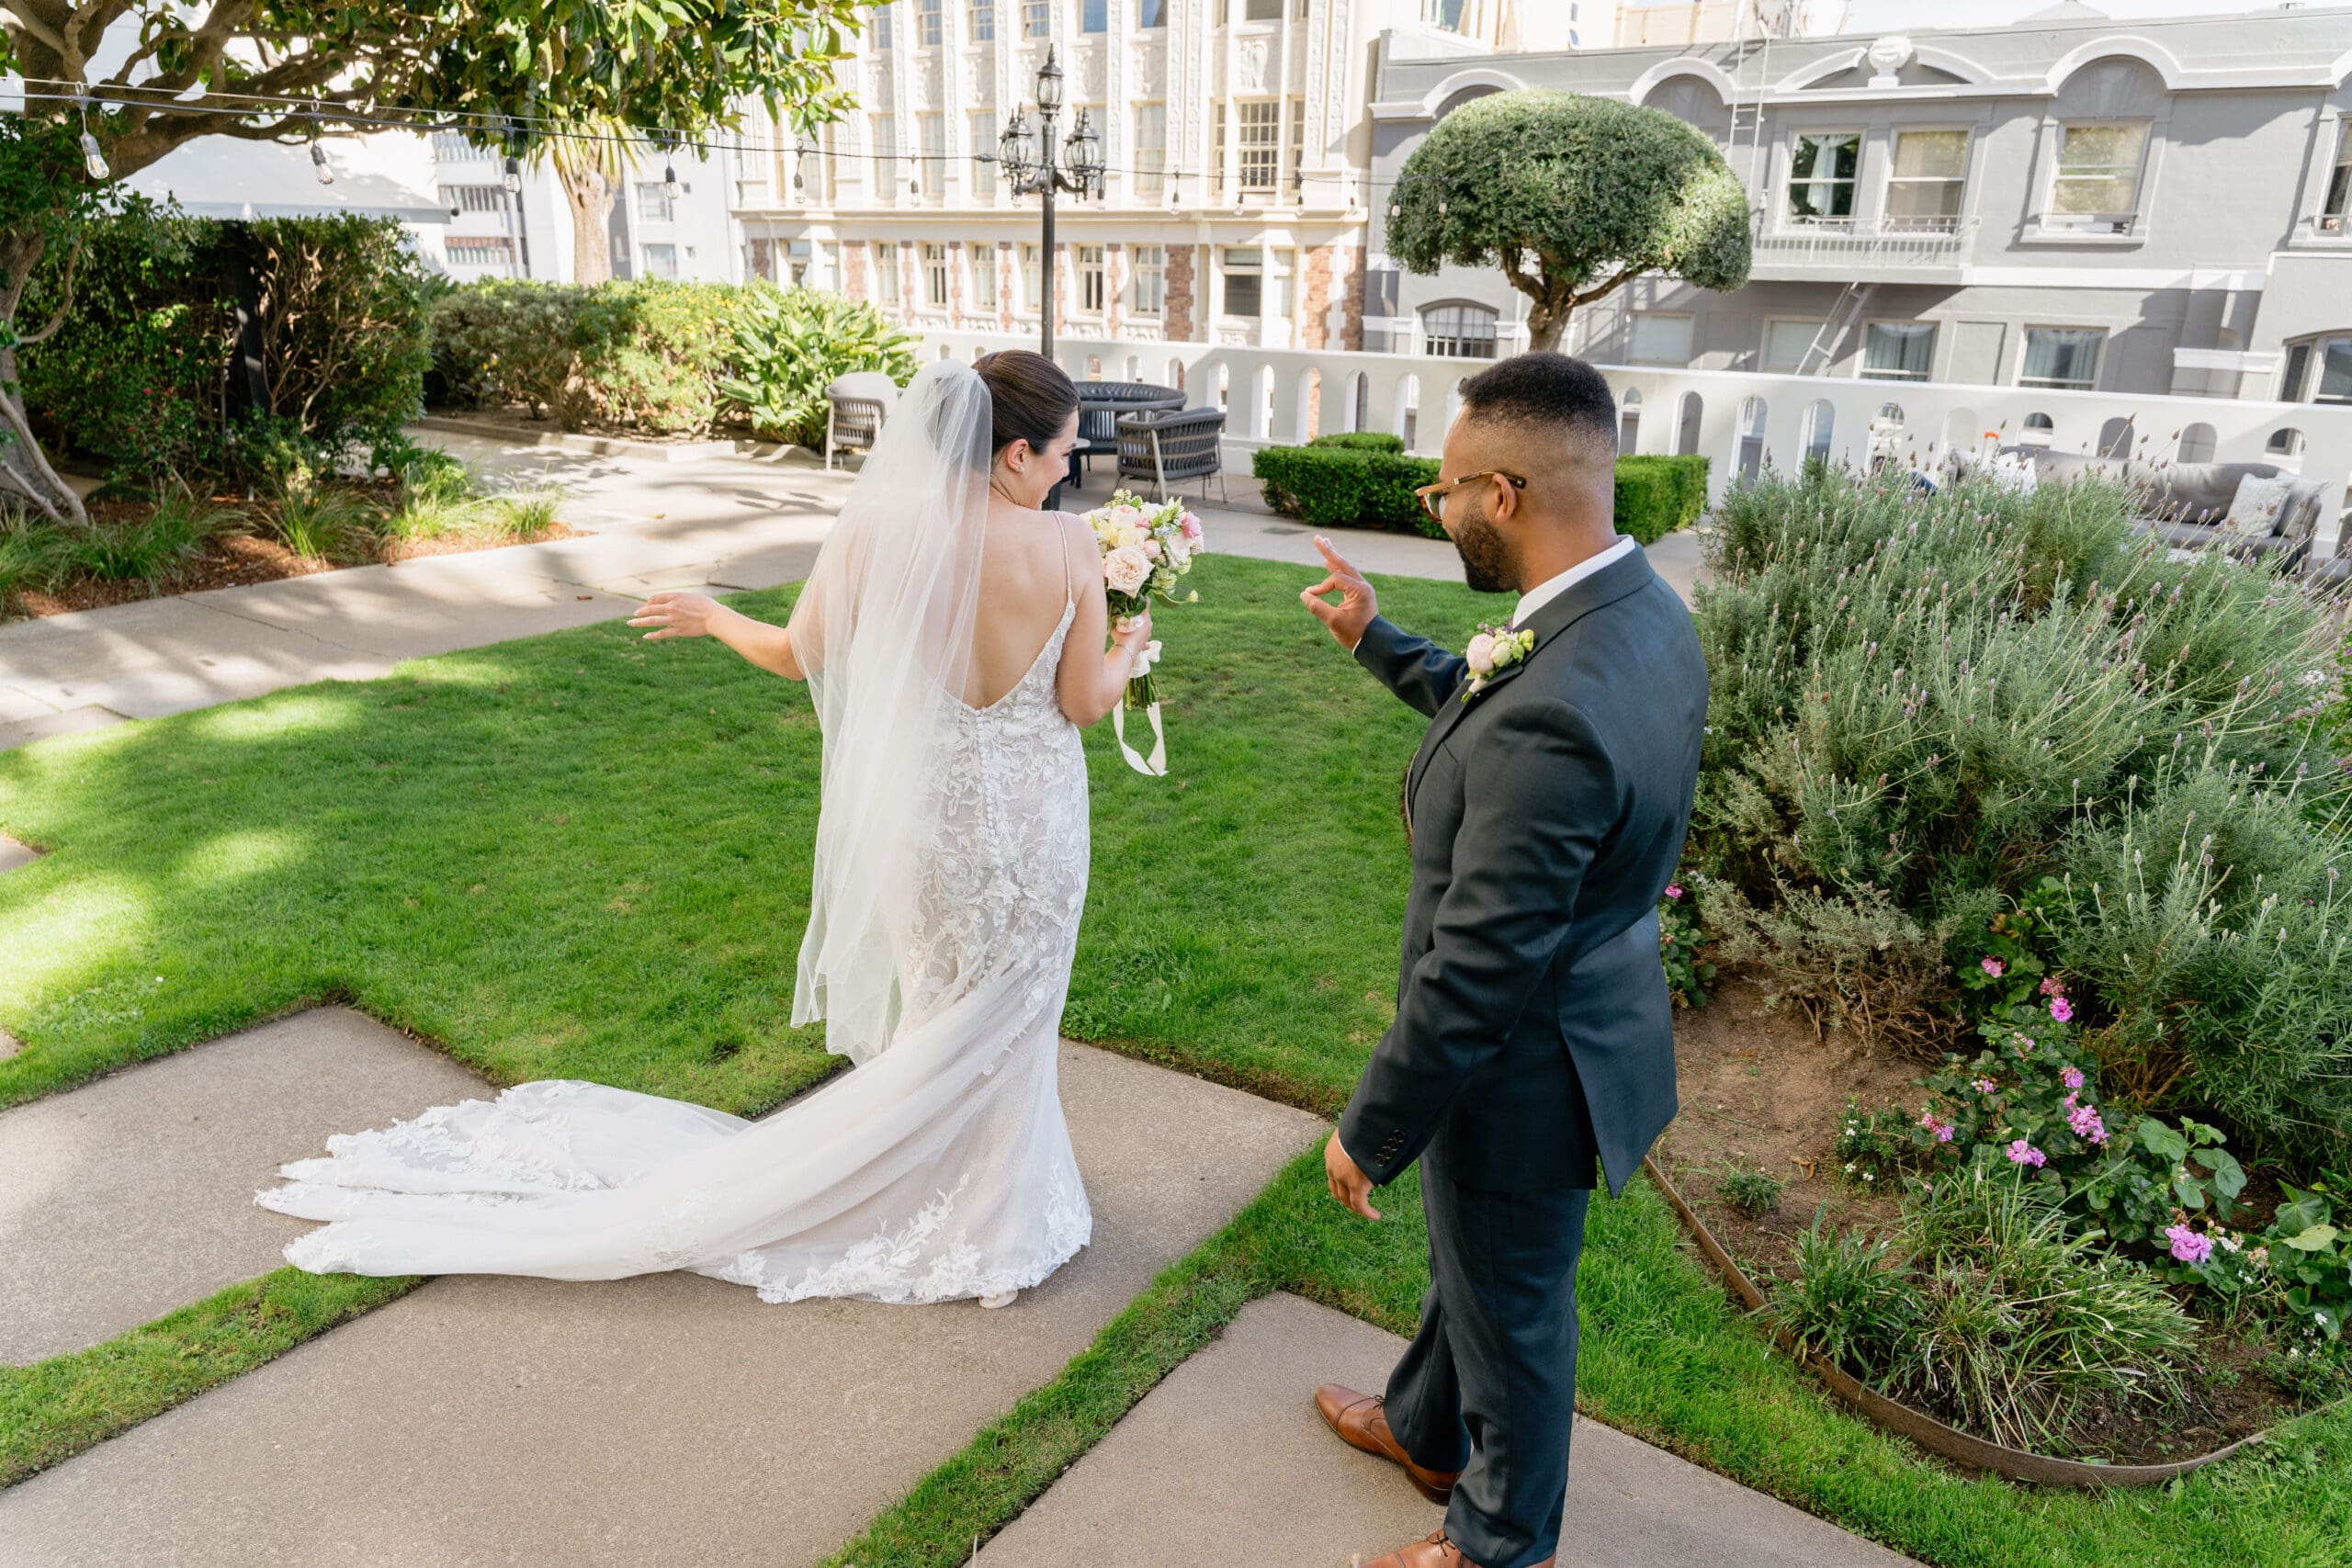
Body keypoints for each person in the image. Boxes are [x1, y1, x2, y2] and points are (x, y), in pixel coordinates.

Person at [256, 351, 1154, 1312]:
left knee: (942, 1011)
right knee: (1014, 1016)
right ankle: (995, 1208)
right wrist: (1131, 650)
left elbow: (791, 655)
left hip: (927, 832)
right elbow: (1082, 703)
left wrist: (715, 613)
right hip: (1035, 825)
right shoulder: (1066, 550)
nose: (1069, 468)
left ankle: (961, 1192)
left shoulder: (881, 535)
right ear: (1015, 453)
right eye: (1062, 451)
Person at [1297, 352, 1707, 1568]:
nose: (1440, 508)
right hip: (1588, 1004)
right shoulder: (1631, 611)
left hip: (1530, 1058)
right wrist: (1380, 641)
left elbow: (1477, 966)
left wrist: (1368, 1126)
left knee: (1516, 1307)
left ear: (1508, 493)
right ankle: (1428, 1429)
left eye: (1445, 491)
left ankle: (1497, 1536)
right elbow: (1498, 709)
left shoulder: (1563, 694)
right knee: (1473, 1260)